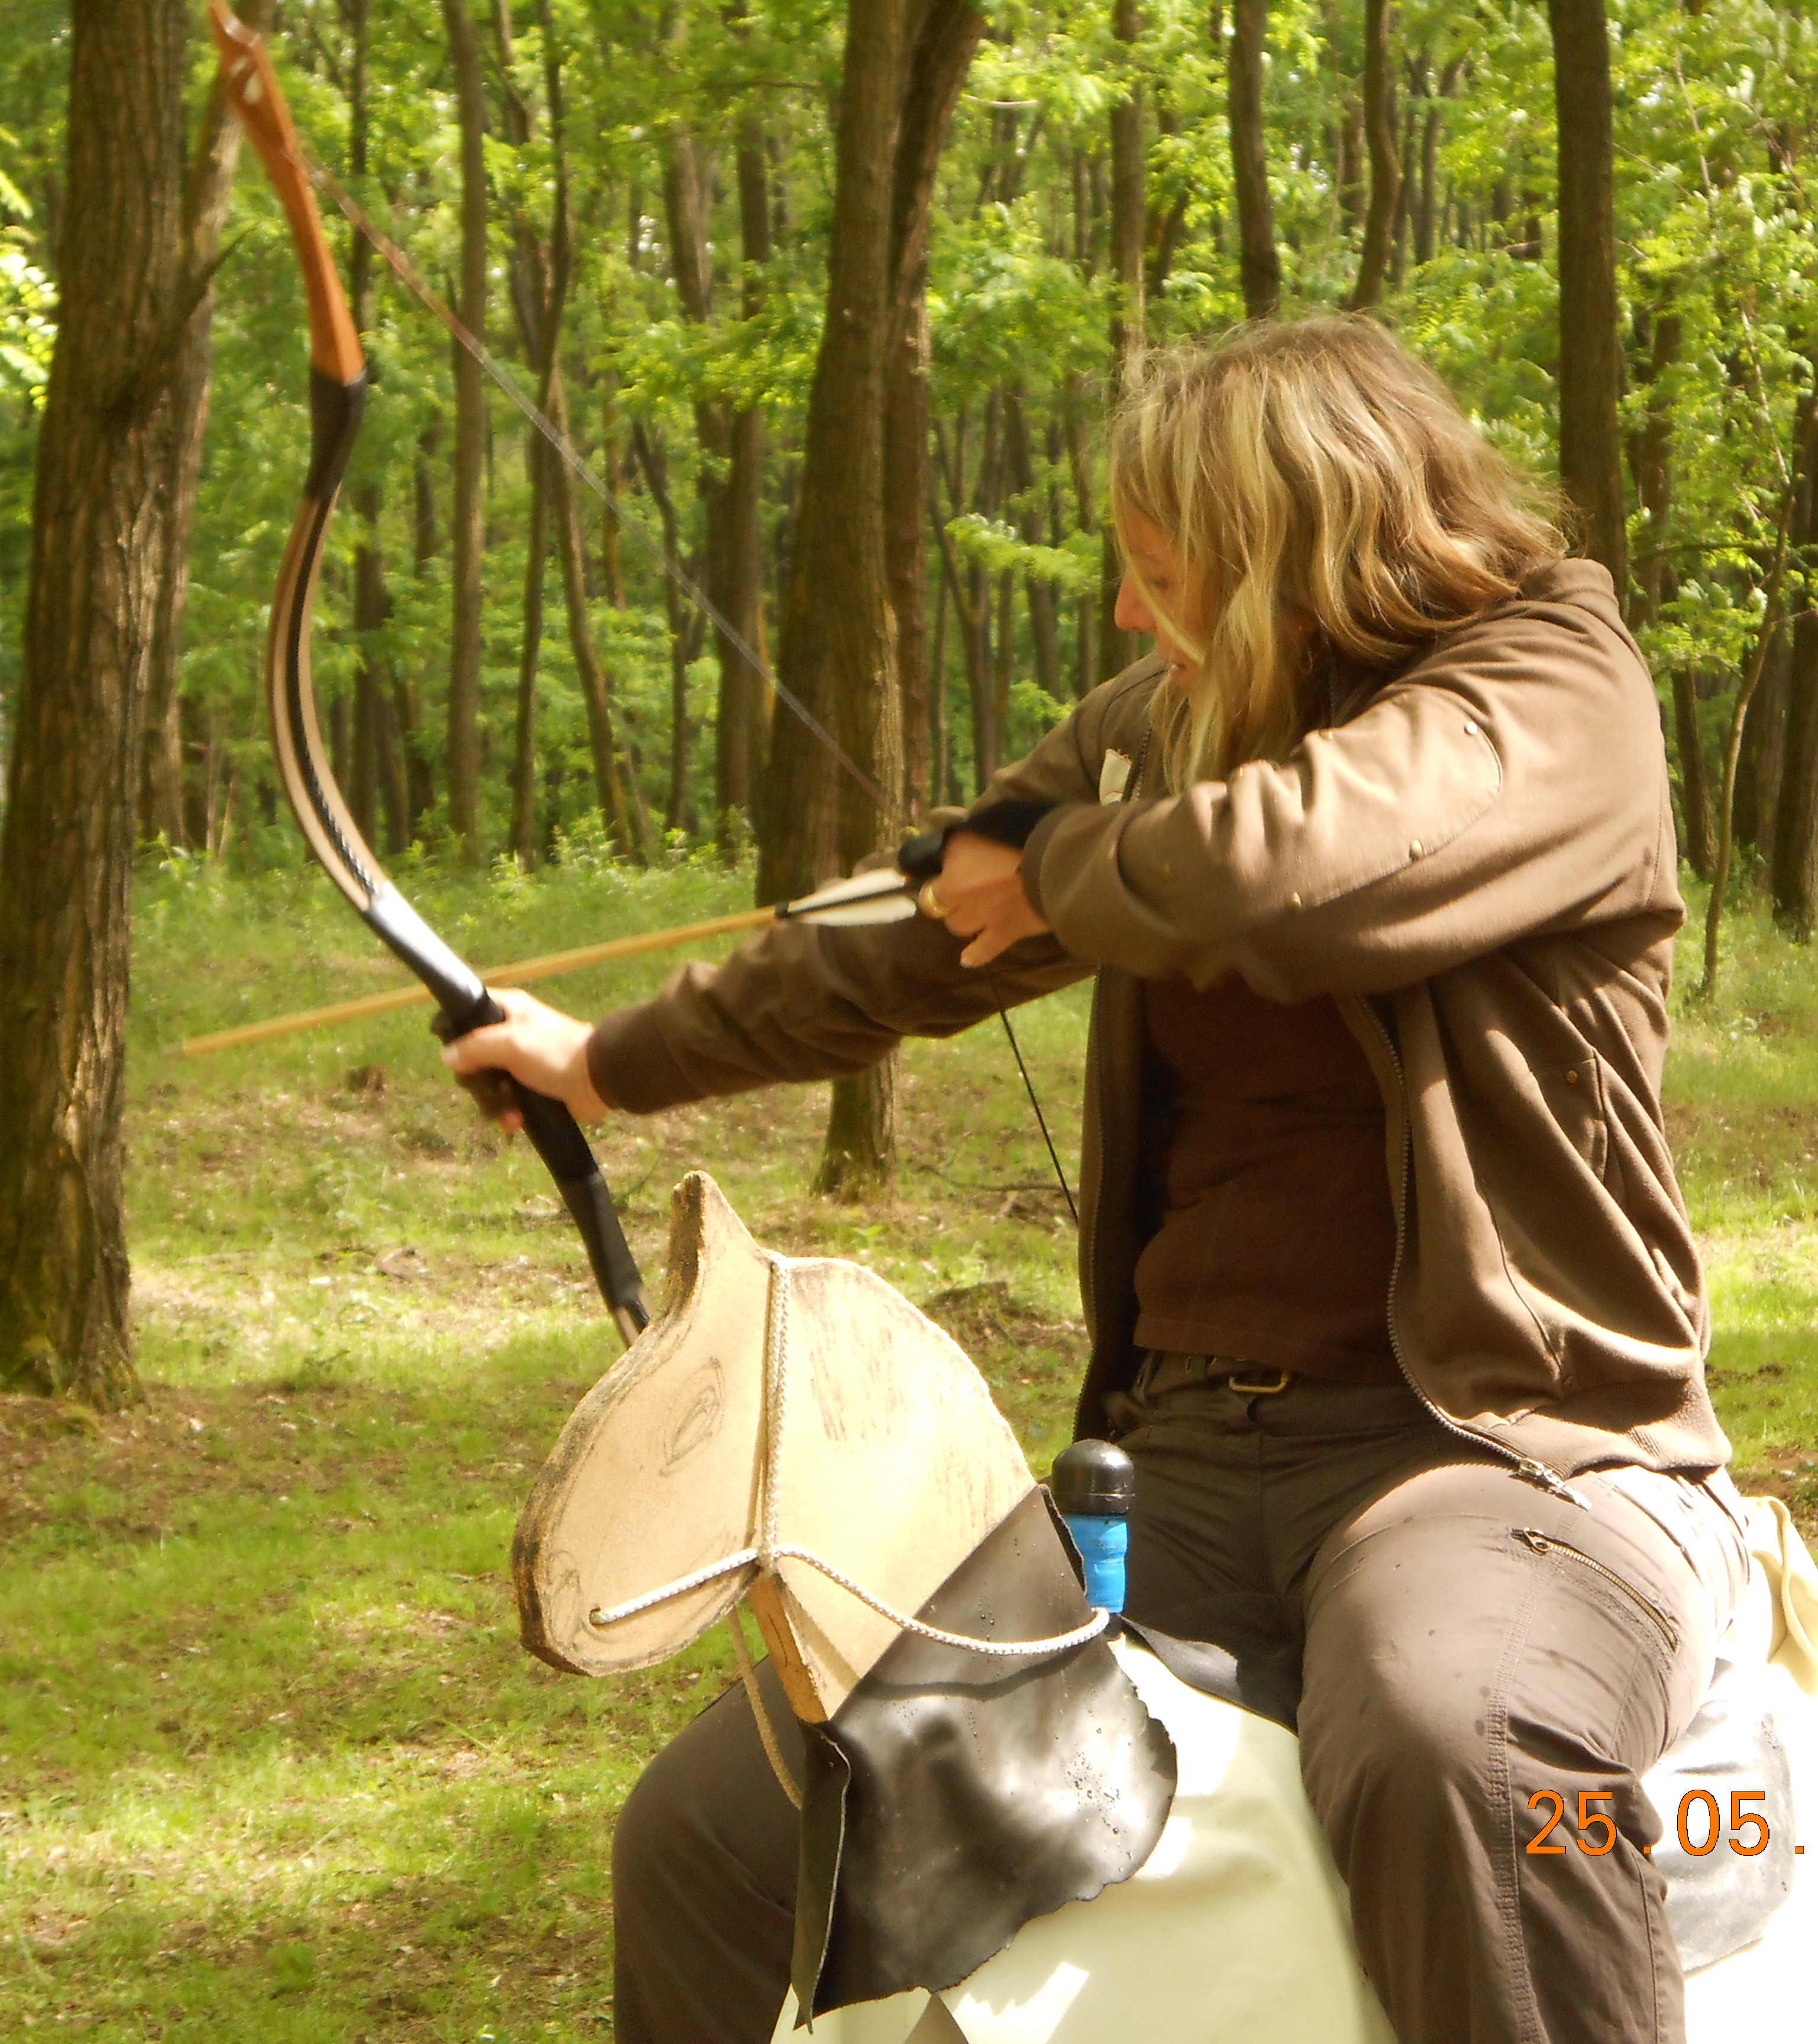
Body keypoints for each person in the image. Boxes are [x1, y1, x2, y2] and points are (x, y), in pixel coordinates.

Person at [446, 315, 1747, 2044]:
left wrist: (1058, 863)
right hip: (1182, 1463)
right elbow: (906, 937)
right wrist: (601, 1061)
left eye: (1164, 573)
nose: (1131, 616)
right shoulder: (1151, 742)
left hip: (1505, 1449)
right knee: (716, 1837)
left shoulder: (1551, 679)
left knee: (1467, 1744)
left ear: (1290, 553)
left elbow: (1310, 868)